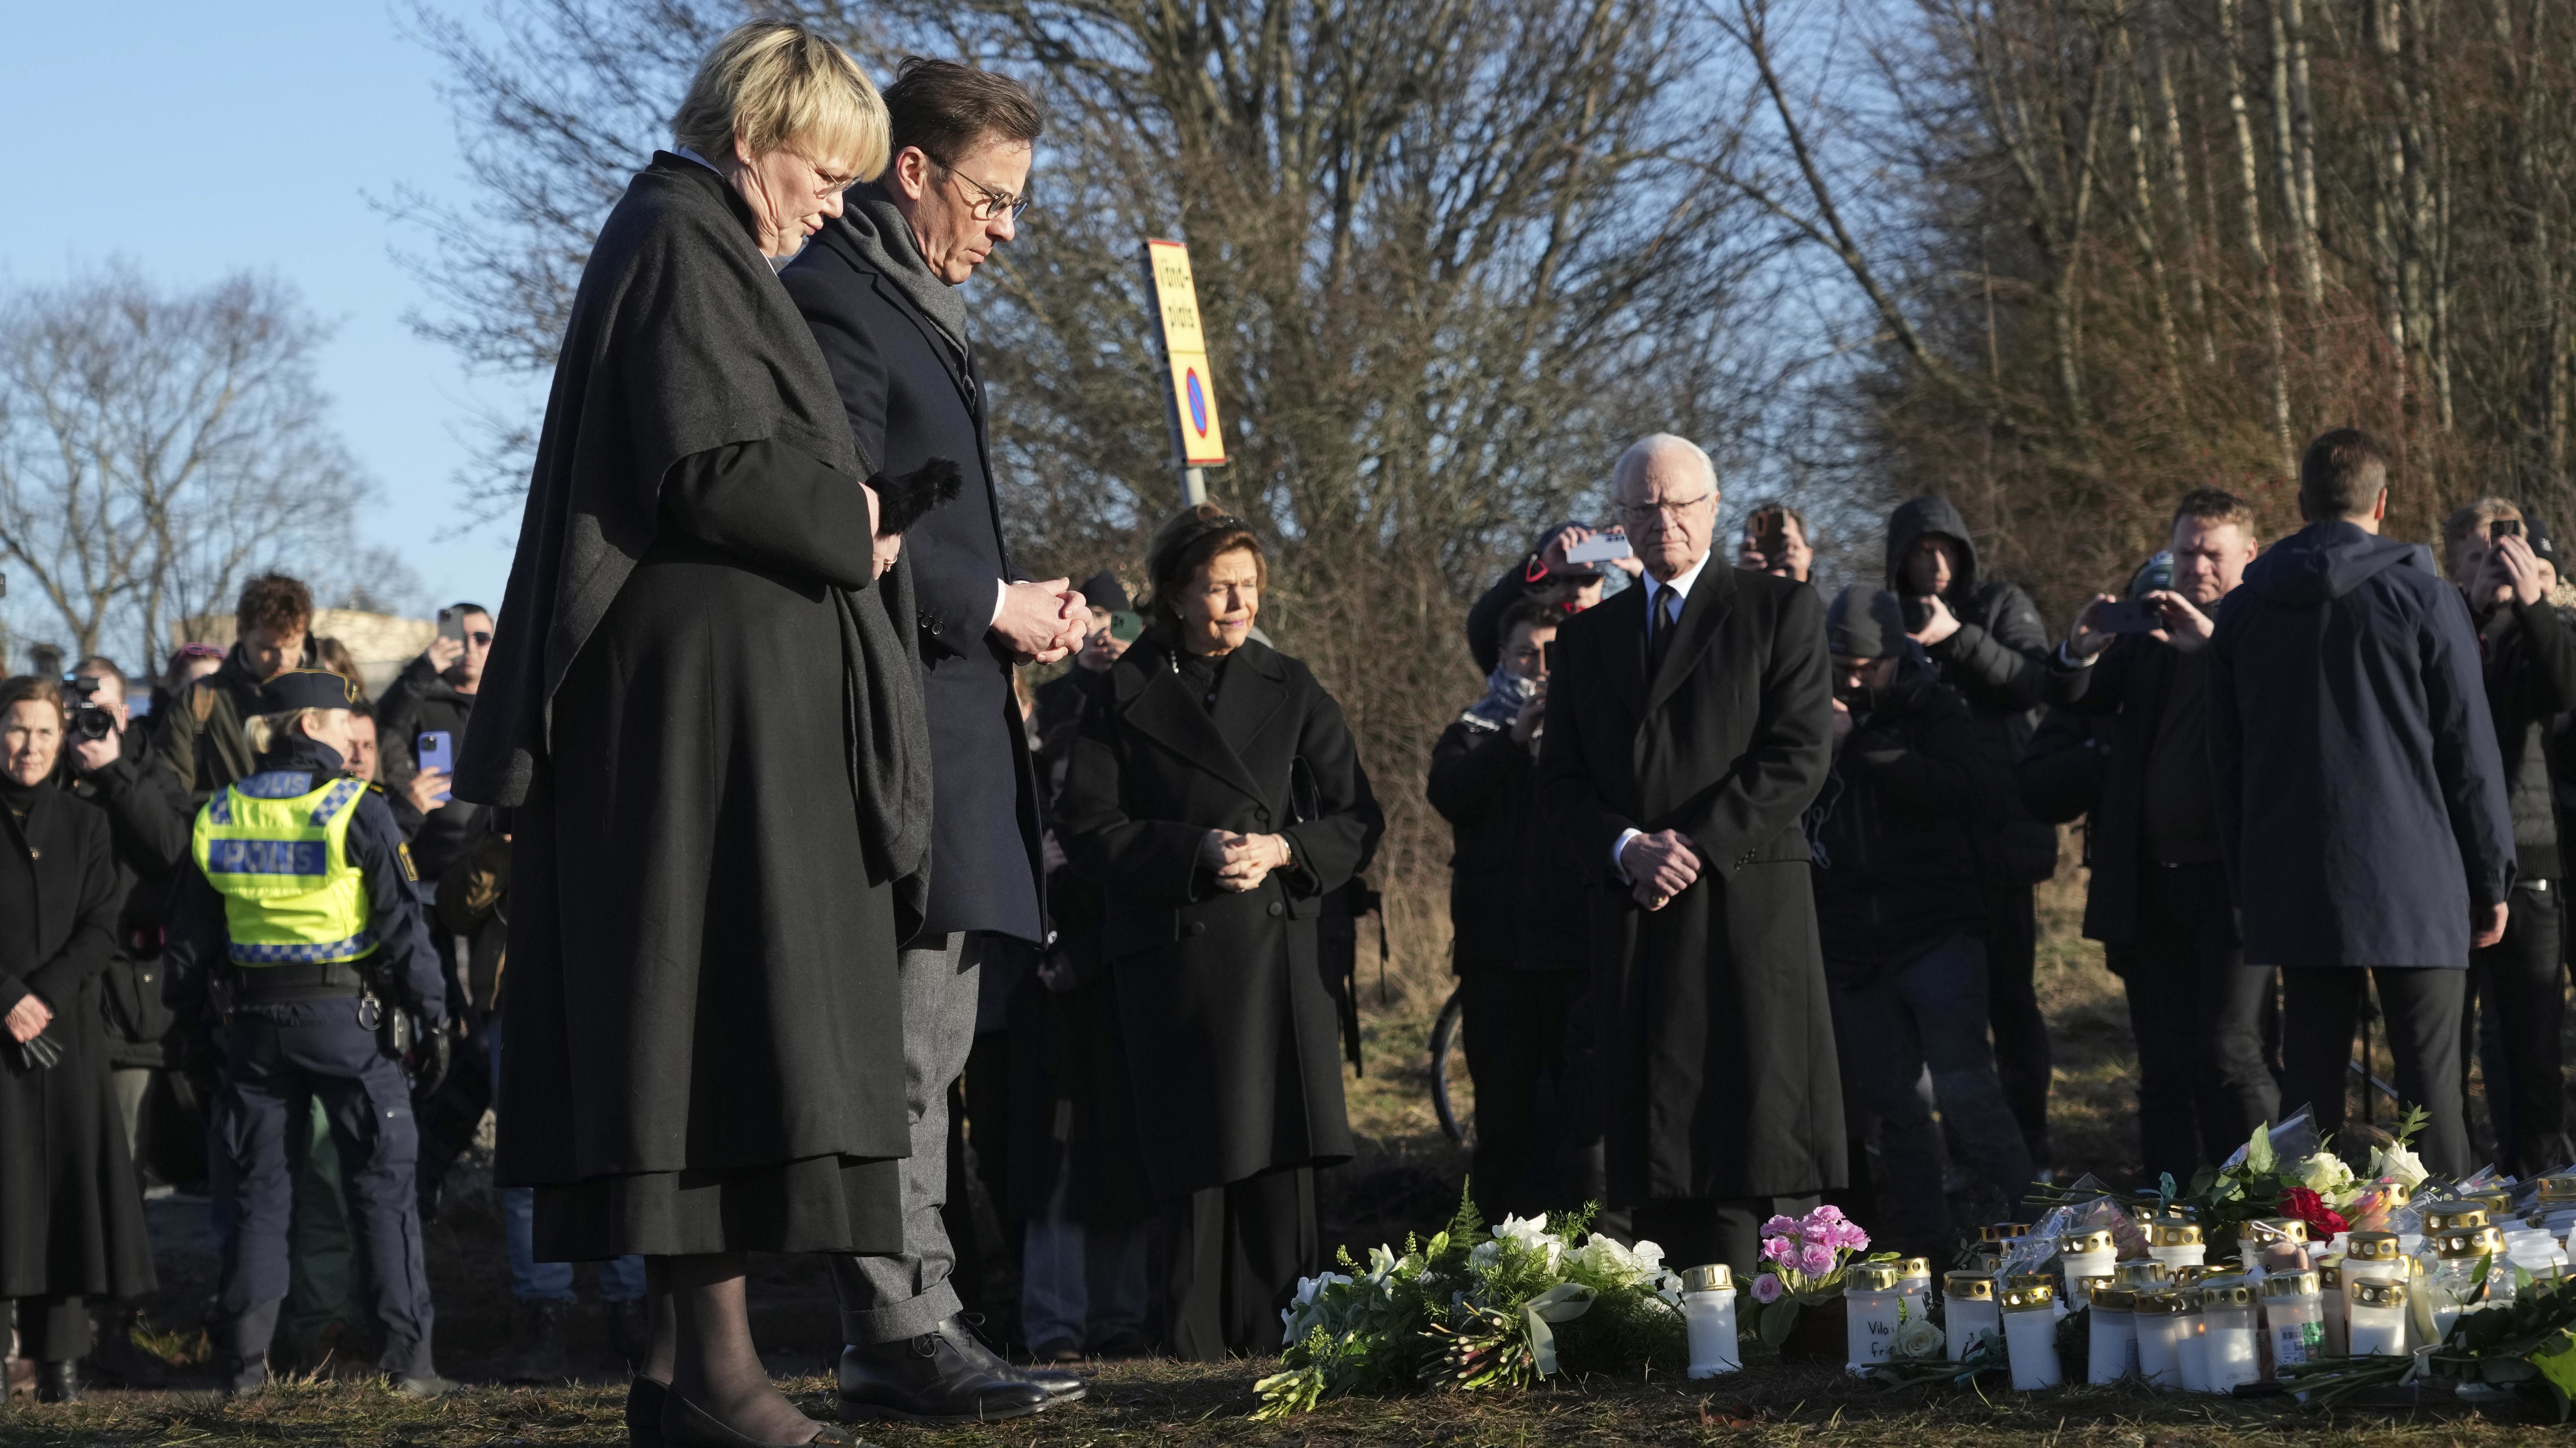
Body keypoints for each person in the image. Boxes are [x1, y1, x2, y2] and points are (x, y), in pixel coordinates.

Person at [457, 23, 932, 1446]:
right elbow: (717, 464)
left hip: (710, 722)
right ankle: (719, 1373)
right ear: (749, 140)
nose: (832, 201)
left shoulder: (686, 239)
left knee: (698, 1016)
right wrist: (851, 517)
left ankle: (678, 1376)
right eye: (821, 171)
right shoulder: (679, 235)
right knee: (706, 1021)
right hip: (694, 735)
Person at [780, 55, 1090, 1424]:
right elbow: (828, 525)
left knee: (936, 1049)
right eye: (995, 199)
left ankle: (915, 1319)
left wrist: (1019, 608)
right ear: (913, 172)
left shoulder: (906, 305)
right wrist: (988, 599)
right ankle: (901, 1330)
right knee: (901, 1055)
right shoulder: (836, 305)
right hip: (895, 744)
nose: (1007, 231)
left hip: (958, 734)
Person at [1056, 505, 1384, 1359]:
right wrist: (1191, 849)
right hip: (1176, 955)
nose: (1236, 604)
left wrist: (1283, 847)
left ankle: (1291, 1335)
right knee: (1194, 1154)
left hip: (1275, 954)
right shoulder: (1122, 690)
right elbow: (1088, 825)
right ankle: (1193, 1345)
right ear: (1173, 592)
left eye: (1248, 586)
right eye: (1216, 587)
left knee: (1276, 1154)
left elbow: (1356, 817)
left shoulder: (1291, 684)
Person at [1537, 434, 1840, 1278]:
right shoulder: (1587, 639)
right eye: (1642, 507)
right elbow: (1557, 784)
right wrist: (1627, 845)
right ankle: (1672, 1312)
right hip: (1637, 907)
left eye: (1678, 504)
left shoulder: (1777, 611)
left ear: (1711, 507)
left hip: (1744, 904)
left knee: (1749, 1125)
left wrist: (1697, 845)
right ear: (1621, 521)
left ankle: (1767, 1308)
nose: (1662, 521)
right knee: (1660, 1133)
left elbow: (1797, 756)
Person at [2207, 428, 2515, 1177]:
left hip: (2295, 877)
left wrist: (2246, 886)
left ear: (2300, 502)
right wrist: (2490, 876)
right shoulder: (2426, 599)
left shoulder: (2244, 613)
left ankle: (2300, 1269)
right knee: (2431, 1093)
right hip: (2417, 876)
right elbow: (2467, 753)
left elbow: (2227, 769)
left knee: (2306, 1099)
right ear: (2381, 502)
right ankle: (2449, 1267)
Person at [2052, 489, 2279, 1182]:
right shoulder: (2145, 638)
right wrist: (2080, 650)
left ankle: (2275, 1205)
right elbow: (2070, 700)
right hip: (2150, 882)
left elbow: (2287, 717)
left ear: (2249, 555)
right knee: (2163, 1063)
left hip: (2233, 885)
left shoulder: (2264, 630)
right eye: (2184, 551)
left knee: (2230, 1051)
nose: (2196, 566)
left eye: (2212, 552)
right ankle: (2172, 1220)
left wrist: (2212, 646)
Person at [1806, 589, 2030, 1257]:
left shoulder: (1936, 708)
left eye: (1866, 665)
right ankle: (1925, 1257)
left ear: (1895, 656)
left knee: (1969, 1098)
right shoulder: (1804, 715)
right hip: (1853, 948)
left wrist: (1863, 746)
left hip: (1936, 933)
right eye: (1840, 663)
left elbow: (1973, 794)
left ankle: (2040, 1232)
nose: (1852, 677)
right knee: (1895, 1111)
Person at [1883, 496, 2059, 1172]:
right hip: (1928, 844)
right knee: (1949, 1014)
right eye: (1918, 552)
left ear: (1962, 550)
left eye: (1944, 549)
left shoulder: (2000, 602)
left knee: (2013, 1003)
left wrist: (1955, 638)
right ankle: (1965, 1157)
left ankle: (2033, 1146)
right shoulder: (1884, 617)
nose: (1932, 564)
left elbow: (2033, 683)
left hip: (2003, 837)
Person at [0, 677, 158, 1404]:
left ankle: (60, 1362)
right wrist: (8, 998)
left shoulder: (85, 822)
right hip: (2, 1033)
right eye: (15, 728)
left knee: (64, 1196)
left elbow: (104, 922)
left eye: (42, 731)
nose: (27, 745)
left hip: (68, 1034)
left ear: (63, 739)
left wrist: (45, 996)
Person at [1426, 597, 1596, 1221]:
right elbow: (1450, 794)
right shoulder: (1472, 730)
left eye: (1555, 654)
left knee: (1581, 1128)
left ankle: (1592, 1273)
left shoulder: (1595, 733)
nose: (1542, 667)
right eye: (1529, 653)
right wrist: (1515, 739)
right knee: (1504, 1125)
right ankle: (1498, 1274)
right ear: (1503, 658)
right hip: (1496, 963)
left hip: (1576, 961)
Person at [2441, 500, 2576, 1175]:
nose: (2497, 567)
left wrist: (2533, 606)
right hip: (2451, 869)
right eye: (2478, 557)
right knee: (2451, 1046)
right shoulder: (2447, 634)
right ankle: (2464, 1181)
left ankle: (2540, 1177)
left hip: (2533, 865)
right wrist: (2469, 609)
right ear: (2452, 568)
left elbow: (2562, 689)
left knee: (2533, 1040)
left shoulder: (2544, 633)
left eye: (2510, 554)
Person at [154, 574, 318, 803]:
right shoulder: (200, 701)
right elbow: (170, 799)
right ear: (241, 631)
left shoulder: (336, 699)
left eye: (292, 646)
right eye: (268, 647)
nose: (282, 659)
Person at [377, 605, 488, 887]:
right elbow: (383, 729)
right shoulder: (418, 700)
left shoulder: (510, 706)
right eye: (461, 638)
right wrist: (424, 668)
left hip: (492, 868)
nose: (471, 647)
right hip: (429, 868)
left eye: (482, 638)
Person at [1462, 520, 1640, 675]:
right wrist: (1540, 568)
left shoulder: (1621, 627)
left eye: (1589, 580)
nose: (1579, 592)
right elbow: (1483, 630)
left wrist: (1649, 574)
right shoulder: (1521, 630)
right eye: (1567, 579)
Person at [1735, 500, 1814, 583]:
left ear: (1808, 555)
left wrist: (1800, 581)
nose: (1773, 548)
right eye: (1763, 542)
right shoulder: (1729, 591)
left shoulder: (1822, 594)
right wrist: (1742, 583)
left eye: (1785, 542)